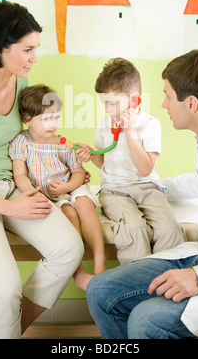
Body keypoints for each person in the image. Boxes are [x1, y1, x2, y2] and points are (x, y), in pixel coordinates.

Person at [0, 1, 84, 339]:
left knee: (69, 249)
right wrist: (10, 207)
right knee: (4, 288)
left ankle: (5, 332)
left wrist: (66, 159)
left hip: (12, 185)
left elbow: (30, 138)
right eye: (27, 49)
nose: (35, 57)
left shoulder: (21, 83)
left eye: (35, 48)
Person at [86, 49, 198, 339]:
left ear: (192, 103)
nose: (163, 104)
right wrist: (151, 189)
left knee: (145, 320)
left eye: (168, 96)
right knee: (101, 290)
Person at [76, 58, 185, 264]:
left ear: (133, 101)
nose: (107, 110)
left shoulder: (151, 125)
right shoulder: (105, 124)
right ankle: (138, 284)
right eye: (104, 104)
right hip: (115, 190)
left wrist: (130, 132)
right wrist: (92, 155)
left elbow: (145, 169)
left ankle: (163, 277)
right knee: (133, 229)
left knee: (170, 230)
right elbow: (106, 164)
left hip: (146, 187)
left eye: (112, 103)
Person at [9, 84, 106, 290]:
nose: (53, 123)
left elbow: (79, 171)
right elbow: (20, 175)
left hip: (69, 186)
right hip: (47, 195)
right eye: (46, 118)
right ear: (27, 119)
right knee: (70, 214)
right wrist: (33, 195)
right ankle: (78, 271)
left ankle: (100, 262)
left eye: (56, 117)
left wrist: (67, 186)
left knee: (85, 206)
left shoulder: (62, 142)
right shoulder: (21, 142)